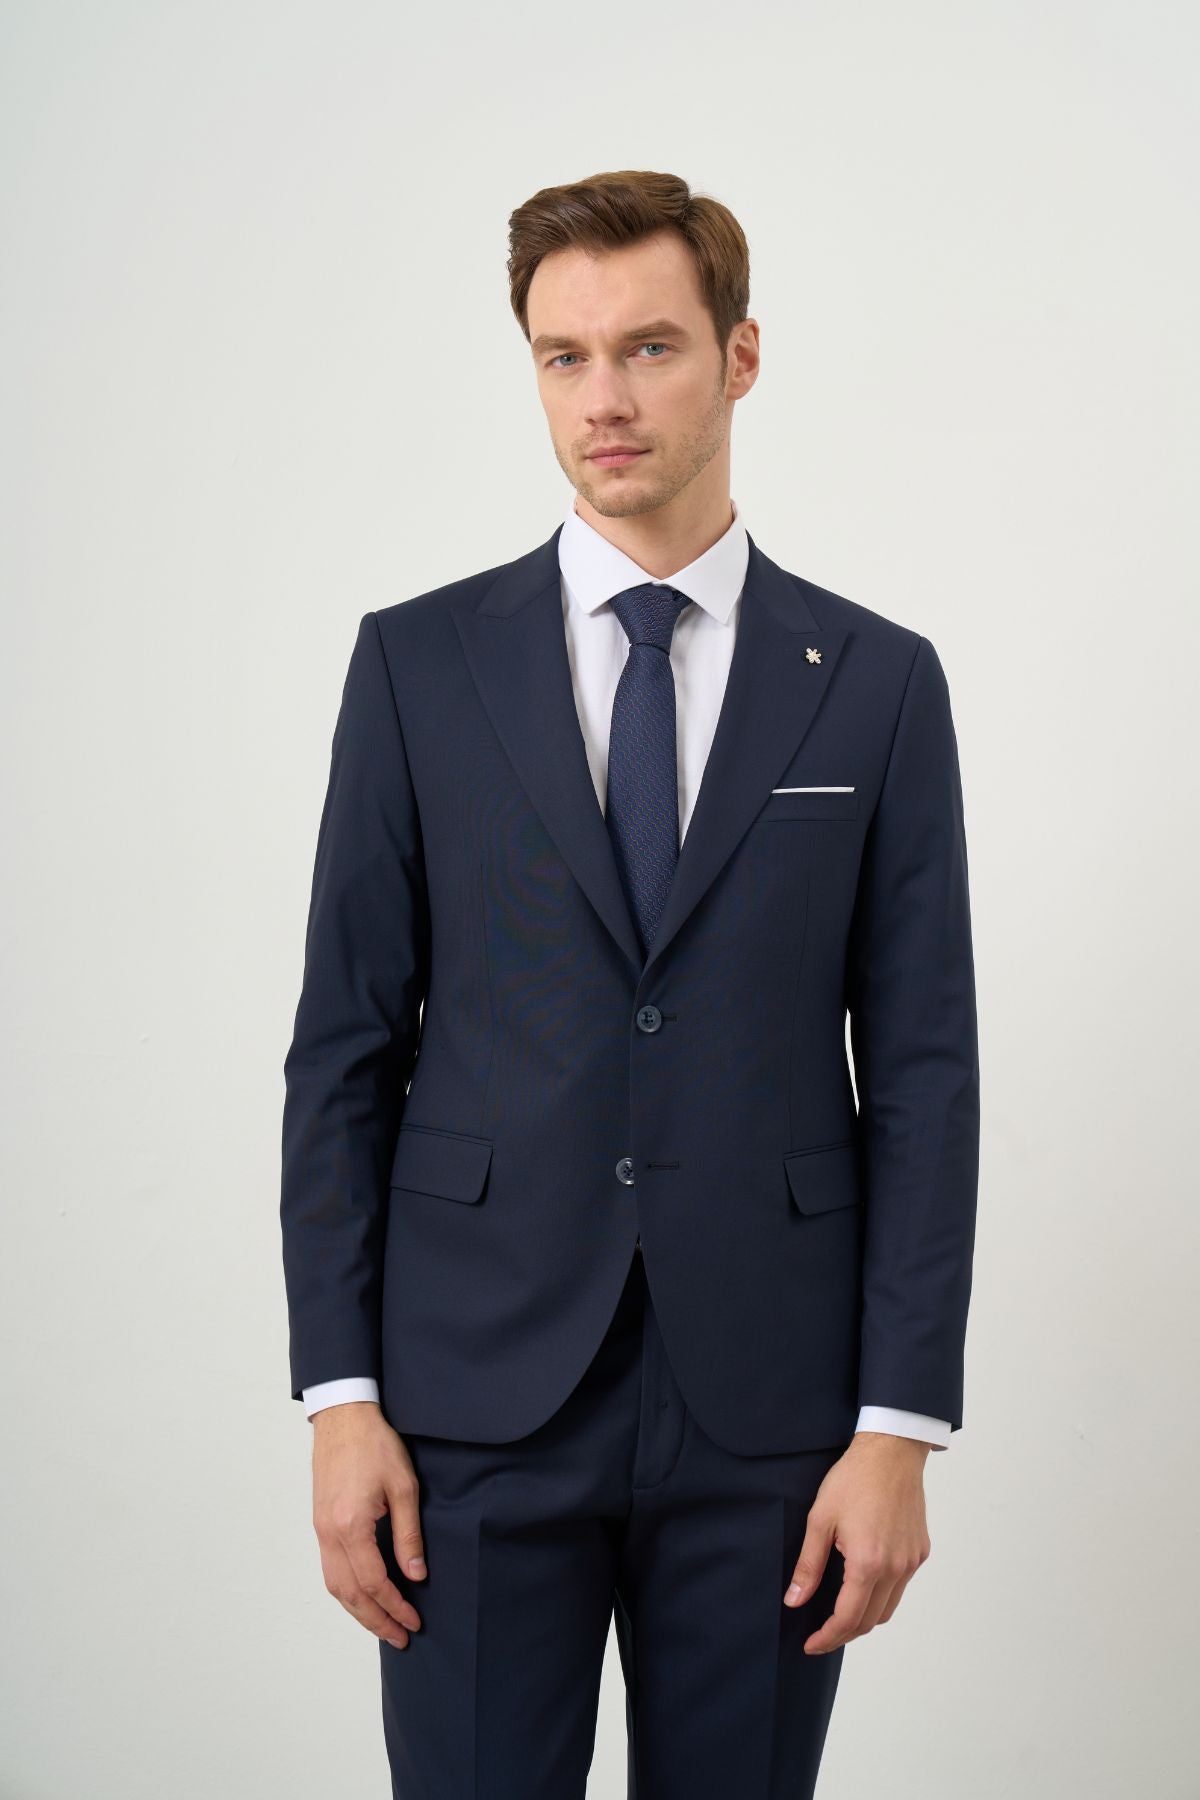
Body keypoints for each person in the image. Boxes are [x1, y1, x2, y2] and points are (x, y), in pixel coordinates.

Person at [280, 167, 980, 1798]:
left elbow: (926, 1076)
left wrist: (899, 1428)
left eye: (650, 348)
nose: (605, 398)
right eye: (564, 356)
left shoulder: (876, 684)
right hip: (471, 1407)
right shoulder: (419, 665)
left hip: (773, 1416)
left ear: (741, 356)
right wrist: (340, 1400)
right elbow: (345, 1051)